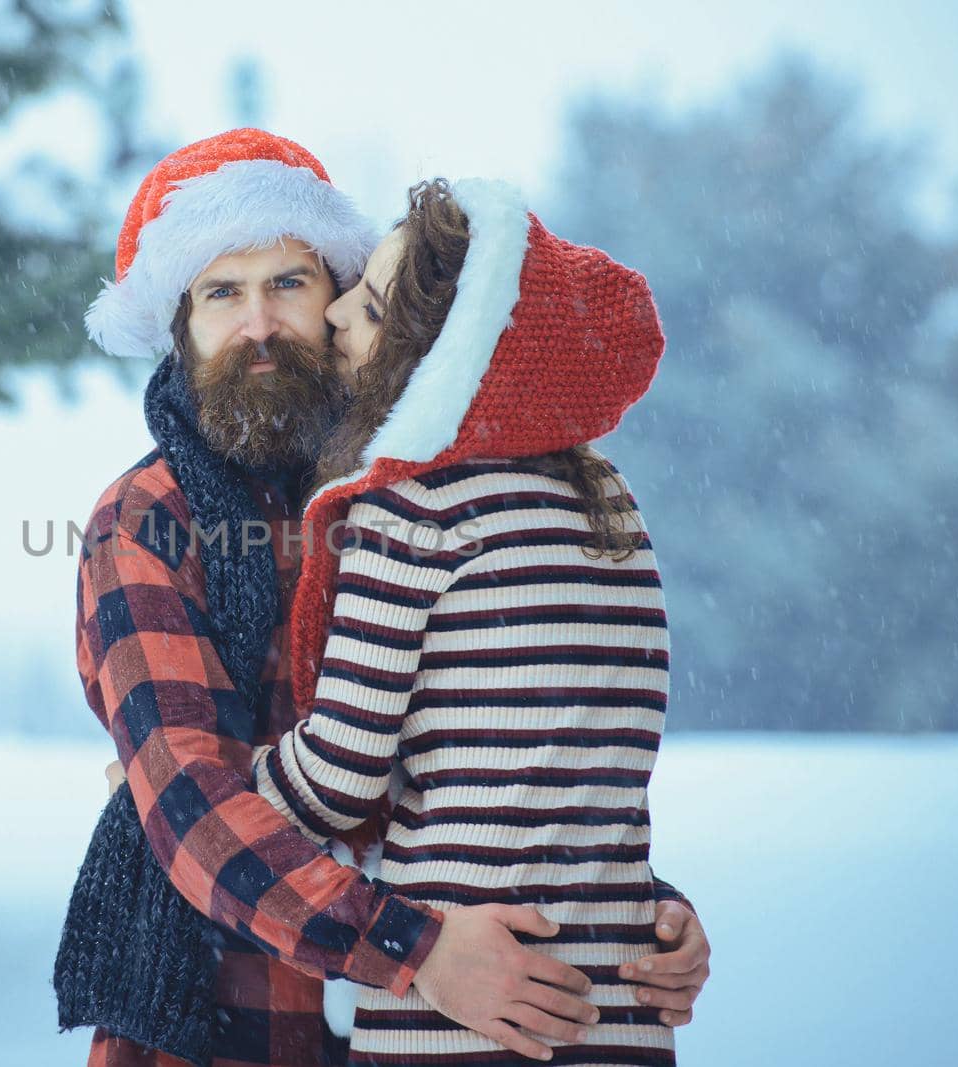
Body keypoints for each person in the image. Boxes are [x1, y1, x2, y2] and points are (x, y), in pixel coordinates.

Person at [65, 129, 706, 1067]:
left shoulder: (412, 494)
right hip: (230, 1022)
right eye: (220, 292)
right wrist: (420, 952)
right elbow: (196, 810)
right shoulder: (145, 521)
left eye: (288, 281)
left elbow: (504, 746)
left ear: (339, 297)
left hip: (460, 1021)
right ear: (178, 326)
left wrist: (632, 918)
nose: (259, 323)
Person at [235, 176, 701, 1064]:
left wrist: (222, 790)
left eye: (368, 311)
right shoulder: (606, 500)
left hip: (457, 1015)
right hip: (624, 1005)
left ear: (432, 359)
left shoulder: (412, 506)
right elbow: (584, 765)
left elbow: (340, 774)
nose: (334, 318)